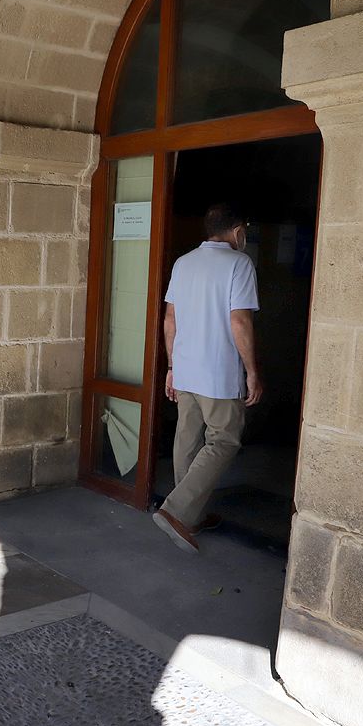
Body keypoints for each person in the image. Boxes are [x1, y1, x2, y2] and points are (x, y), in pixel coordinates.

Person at [153, 203, 262, 554]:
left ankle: (187, 515)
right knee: (224, 441)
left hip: (186, 368)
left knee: (187, 438)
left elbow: (170, 319)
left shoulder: (184, 263)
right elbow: (239, 321)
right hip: (218, 372)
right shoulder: (239, 263)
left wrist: (172, 366)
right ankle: (176, 511)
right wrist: (252, 370)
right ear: (237, 230)